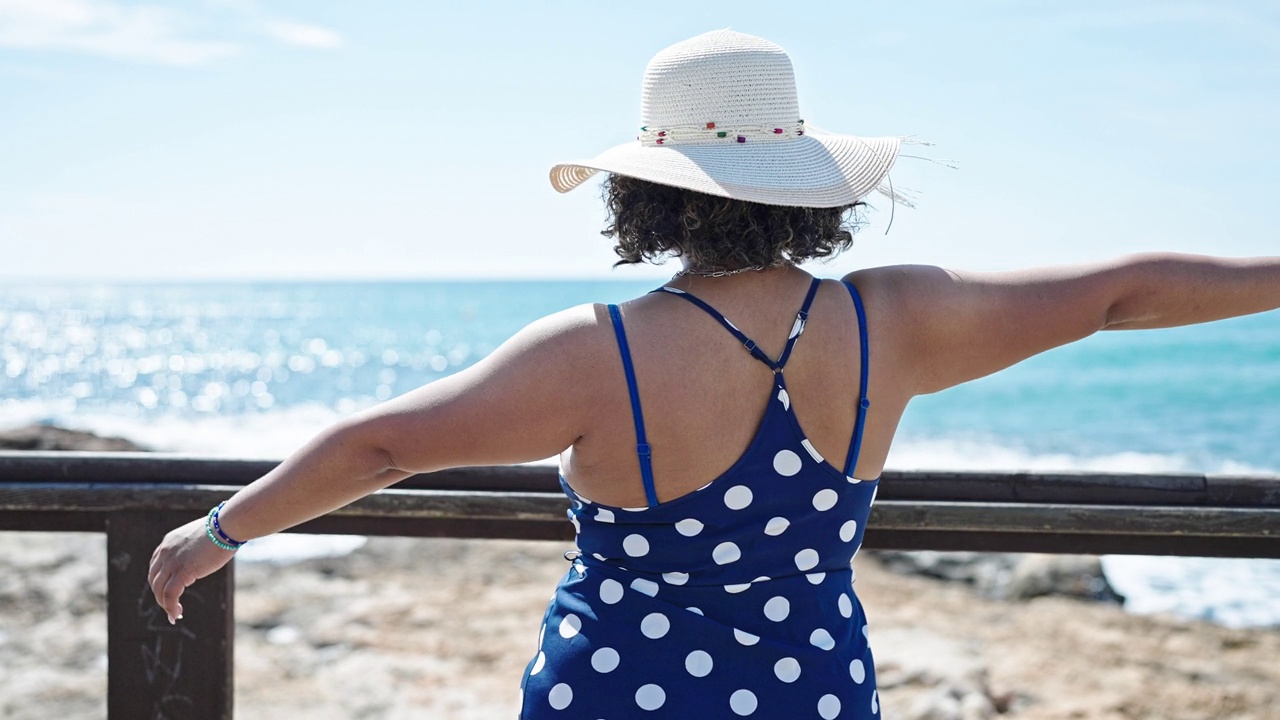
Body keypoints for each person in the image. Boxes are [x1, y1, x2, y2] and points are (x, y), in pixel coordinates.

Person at [149, 30, 1280, 719]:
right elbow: (1121, 289)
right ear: (806, 184)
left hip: (613, 696)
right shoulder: (894, 320)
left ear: (641, 191)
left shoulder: (593, 351)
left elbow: (378, 447)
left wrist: (217, 533)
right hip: (810, 696)